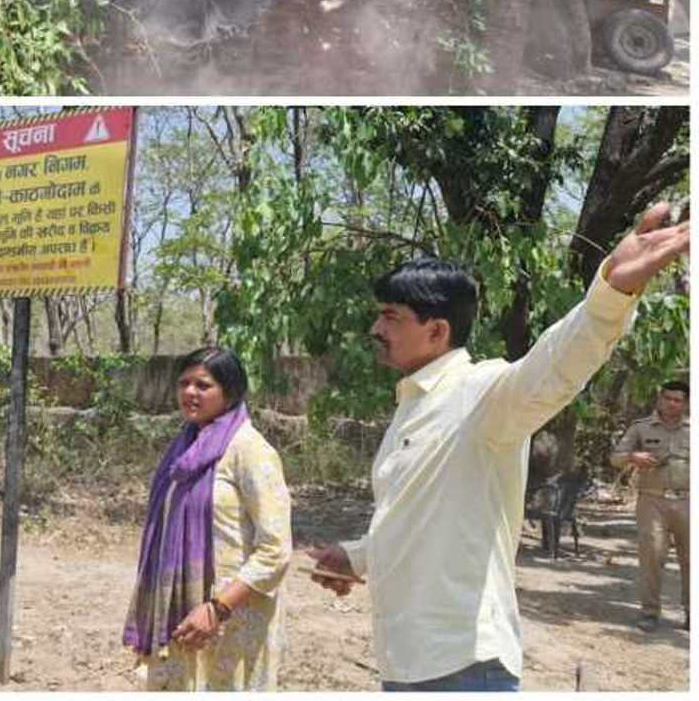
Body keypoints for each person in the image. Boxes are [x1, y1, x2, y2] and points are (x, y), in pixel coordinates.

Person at [309, 203, 689, 691]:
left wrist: (611, 295)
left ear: (437, 330)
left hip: (463, 665)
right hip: (405, 660)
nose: (376, 330)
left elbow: (553, 366)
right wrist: (357, 557)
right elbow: (417, 518)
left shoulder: (480, 393)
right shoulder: (415, 403)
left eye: (390, 317)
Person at [123, 347, 292, 691]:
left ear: (230, 391)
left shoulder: (250, 451)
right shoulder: (183, 449)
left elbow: (275, 550)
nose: (189, 392)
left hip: (233, 617)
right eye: (183, 383)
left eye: (203, 385)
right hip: (181, 612)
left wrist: (217, 609)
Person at [611, 379, 690, 632]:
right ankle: (650, 612)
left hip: (689, 502)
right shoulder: (641, 428)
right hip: (652, 501)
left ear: (685, 404)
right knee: (652, 556)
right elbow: (615, 458)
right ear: (659, 399)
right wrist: (633, 457)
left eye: (677, 400)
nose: (671, 403)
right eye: (667, 398)